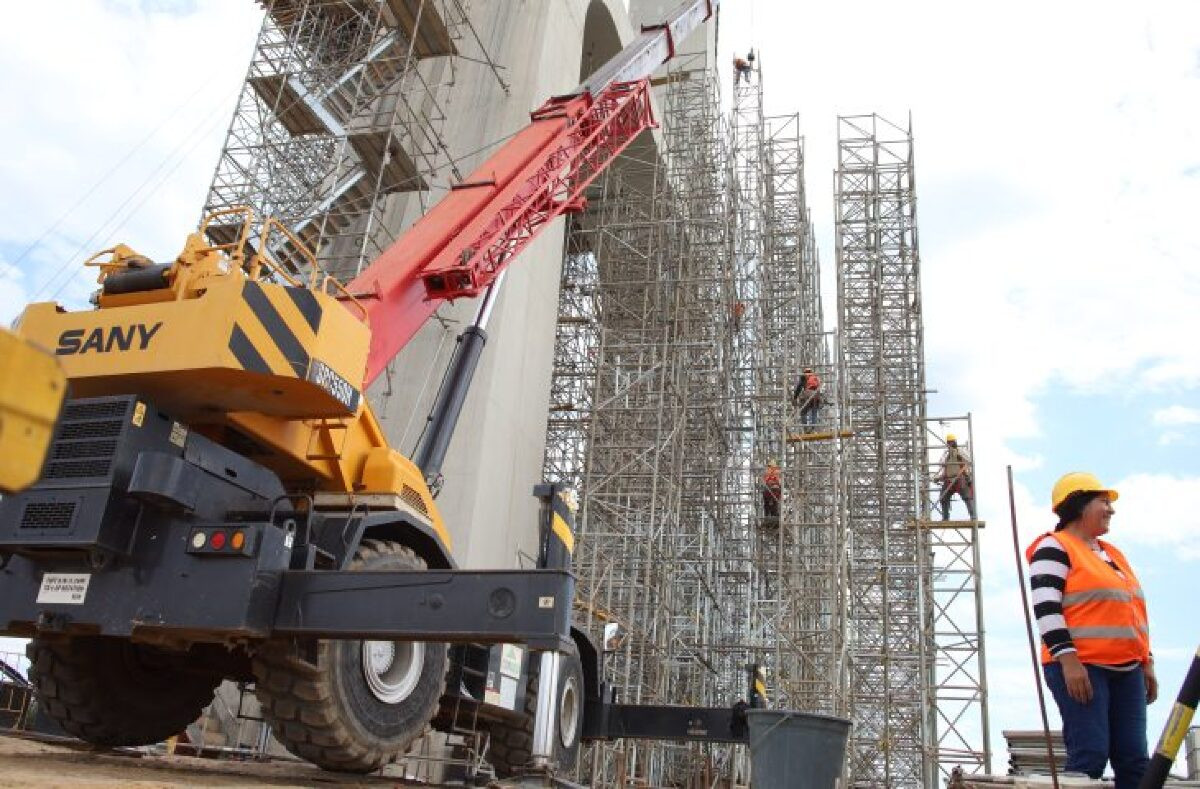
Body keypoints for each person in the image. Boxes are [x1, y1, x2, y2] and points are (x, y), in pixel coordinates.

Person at [1025, 472, 1156, 788]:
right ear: (1078, 505)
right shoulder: (1053, 547)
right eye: (1104, 502)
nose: (1111, 510)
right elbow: (1046, 608)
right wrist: (1069, 661)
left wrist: (1146, 663)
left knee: (1135, 760)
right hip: (1082, 668)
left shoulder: (1113, 554)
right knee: (1090, 756)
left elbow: (1132, 613)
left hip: (1128, 669)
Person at [936, 433, 976, 520]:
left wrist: (966, 475)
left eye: (951, 442)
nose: (949, 444)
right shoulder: (947, 456)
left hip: (959, 478)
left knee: (966, 496)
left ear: (954, 442)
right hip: (949, 479)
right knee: (943, 496)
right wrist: (939, 477)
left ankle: (973, 515)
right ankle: (945, 517)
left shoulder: (959, 452)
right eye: (948, 443)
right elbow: (945, 469)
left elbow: (968, 461)